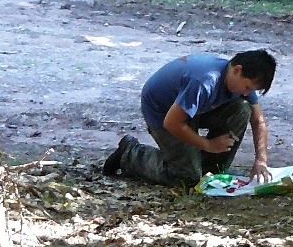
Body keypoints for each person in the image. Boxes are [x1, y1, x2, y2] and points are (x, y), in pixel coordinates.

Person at [103, 50, 277, 186]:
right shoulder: (205, 81)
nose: (247, 93)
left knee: (242, 109)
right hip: (164, 112)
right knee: (185, 177)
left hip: (192, 109)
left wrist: (261, 160)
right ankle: (130, 153)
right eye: (247, 87)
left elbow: (258, 121)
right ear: (237, 70)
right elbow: (172, 123)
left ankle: (211, 170)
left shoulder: (237, 82)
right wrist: (207, 144)